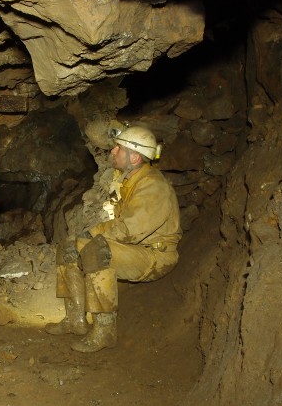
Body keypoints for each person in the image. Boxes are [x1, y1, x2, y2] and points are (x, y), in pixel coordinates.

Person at [45, 125, 182, 353]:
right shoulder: (130, 180)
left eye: (119, 148)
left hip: (155, 256)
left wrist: (94, 240)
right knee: (68, 247)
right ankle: (75, 319)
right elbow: (116, 223)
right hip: (136, 249)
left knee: (96, 251)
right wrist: (90, 233)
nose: (113, 152)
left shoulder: (153, 185)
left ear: (134, 156)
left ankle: (104, 331)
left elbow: (129, 229)